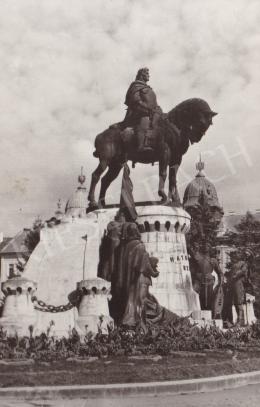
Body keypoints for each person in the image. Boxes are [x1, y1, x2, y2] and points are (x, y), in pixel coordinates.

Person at [123, 67, 162, 153]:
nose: (149, 76)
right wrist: (144, 107)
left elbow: (153, 102)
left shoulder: (148, 88)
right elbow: (135, 99)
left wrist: (157, 109)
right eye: (147, 74)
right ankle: (141, 145)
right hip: (139, 112)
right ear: (141, 75)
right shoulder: (135, 86)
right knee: (145, 119)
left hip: (152, 112)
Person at [190, 243, 223, 316]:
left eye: (208, 246)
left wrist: (220, 283)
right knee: (196, 295)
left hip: (209, 280)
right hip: (198, 280)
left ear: (210, 249)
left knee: (209, 298)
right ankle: (198, 311)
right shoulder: (197, 256)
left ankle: (209, 314)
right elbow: (191, 252)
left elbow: (220, 272)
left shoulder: (213, 260)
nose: (205, 247)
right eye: (204, 246)